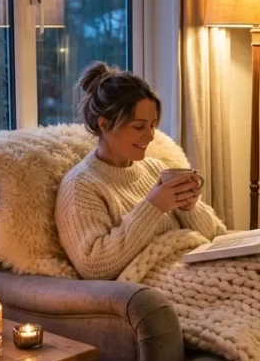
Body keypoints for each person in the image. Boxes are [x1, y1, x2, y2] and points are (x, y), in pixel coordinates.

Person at [55, 62, 226, 279]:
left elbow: (212, 236)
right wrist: (153, 207)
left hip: (193, 266)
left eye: (153, 125)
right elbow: (94, 266)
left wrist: (189, 206)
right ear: (104, 125)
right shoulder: (80, 186)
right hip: (158, 284)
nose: (150, 136)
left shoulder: (156, 169)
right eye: (138, 127)